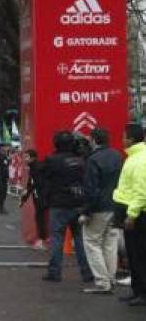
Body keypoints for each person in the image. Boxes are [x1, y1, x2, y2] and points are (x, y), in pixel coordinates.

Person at [42, 131, 93, 283]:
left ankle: (54, 272)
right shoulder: (82, 160)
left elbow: (45, 177)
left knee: (57, 238)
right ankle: (87, 273)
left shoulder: (52, 160)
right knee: (80, 240)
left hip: (59, 204)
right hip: (79, 203)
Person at [77, 128, 122, 294]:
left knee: (92, 242)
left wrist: (86, 212)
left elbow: (91, 189)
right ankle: (111, 277)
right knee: (110, 243)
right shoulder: (118, 156)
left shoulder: (93, 159)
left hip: (98, 208)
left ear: (94, 140)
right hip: (116, 205)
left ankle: (102, 282)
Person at [113, 124, 146, 306]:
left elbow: (141, 191)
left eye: (124, 136)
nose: (122, 139)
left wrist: (132, 215)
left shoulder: (140, 160)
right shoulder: (133, 157)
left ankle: (142, 293)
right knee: (133, 255)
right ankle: (137, 290)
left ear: (131, 139)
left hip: (138, 215)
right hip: (132, 212)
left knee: (139, 255)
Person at [20, 149, 48, 250]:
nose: (24, 159)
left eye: (26, 157)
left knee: (40, 218)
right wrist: (24, 198)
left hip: (41, 196)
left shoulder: (36, 167)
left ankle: (42, 241)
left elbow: (34, 184)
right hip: (40, 196)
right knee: (40, 217)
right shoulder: (33, 167)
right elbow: (30, 183)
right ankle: (42, 239)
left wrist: (26, 196)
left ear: (33, 157)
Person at [0, 144, 10, 214]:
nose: (5, 148)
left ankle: (2, 206)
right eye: (4, 147)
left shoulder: (4, 156)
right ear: (0, 148)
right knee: (1, 192)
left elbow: (7, 165)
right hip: (1, 176)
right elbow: (1, 165)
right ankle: (0, 208)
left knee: (4, 192)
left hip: (4, 176)